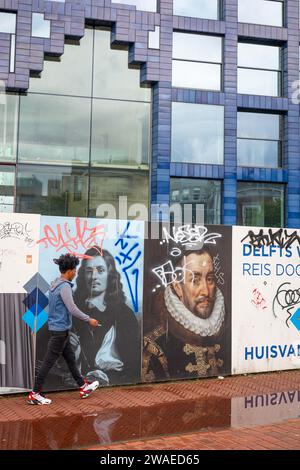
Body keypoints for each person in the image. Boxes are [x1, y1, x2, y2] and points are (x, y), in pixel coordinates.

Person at [142, 247, 230, 382]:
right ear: (178, 288)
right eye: (195, 280)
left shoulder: (230, 331)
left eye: (210, 279)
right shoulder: (155, 346)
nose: (205, 291)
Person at [27, 254, 100, 405]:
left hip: (59, 330)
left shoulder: (54, 284)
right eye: (75, 270)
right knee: (48, 362)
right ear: (69, 270)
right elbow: (72, 308)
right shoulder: (65, 286)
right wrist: (89, 319)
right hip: (60, 332)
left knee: (71, 360)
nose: (76, 273)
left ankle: (83, 386)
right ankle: (34, 393)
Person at [71, 246, 140, 386]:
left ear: (110, 274)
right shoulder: (73, 309)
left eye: (100, 270)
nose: (94, 276)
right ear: (83, 275)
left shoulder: (124, 315)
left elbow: (133, 365)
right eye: (89, 271)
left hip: (116, 384)